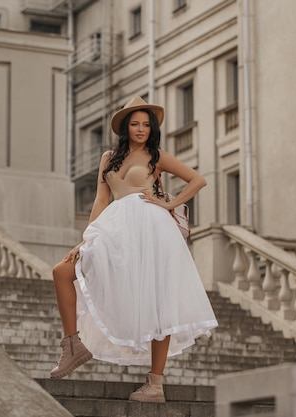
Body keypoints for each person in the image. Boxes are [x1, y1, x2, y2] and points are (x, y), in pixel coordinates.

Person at [51, 96, 218, 403]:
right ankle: (73, 345)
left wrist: (169, 203)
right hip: (115, 229)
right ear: (125, 128)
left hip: (153, 230)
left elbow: (198, 179)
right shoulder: (109, 158)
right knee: (62, 271)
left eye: (145, 124)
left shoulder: (157, 156)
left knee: (158, 302)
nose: (140, 129)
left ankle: (155, 384)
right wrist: (86, 239)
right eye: (134, 124)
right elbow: (102, 200)